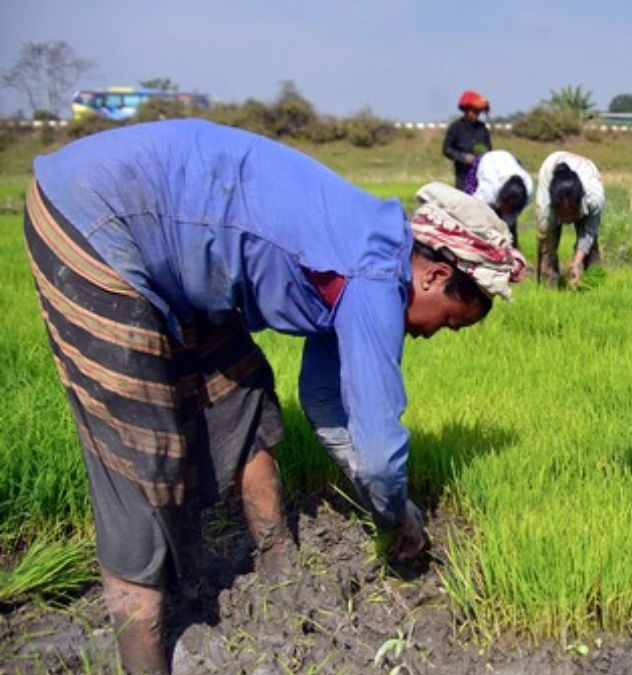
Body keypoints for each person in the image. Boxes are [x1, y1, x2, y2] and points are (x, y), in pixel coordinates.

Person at [24, 119, 526, 674]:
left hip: (176, 243)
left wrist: (375, 487)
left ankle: (279, 571)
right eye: (450, 324)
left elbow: (326, 402)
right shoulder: (373, 279)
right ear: (433, 277)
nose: (431, 335)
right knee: (141, 448)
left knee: (240, 392)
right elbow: (381, 449)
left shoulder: (367, 246)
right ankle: (142, 651)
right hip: (98, 215)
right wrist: (397, 516)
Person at [534, 151, 605, 288]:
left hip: (587, 171)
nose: (567, 220)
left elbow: (588, 232)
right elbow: (544, 237)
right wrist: (547, 258)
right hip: (551, 166)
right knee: (547, 243)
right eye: (562, 215)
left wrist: (576, 263)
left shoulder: (594, 200)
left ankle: (594, 282)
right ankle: (548, 286)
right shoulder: (546, 207)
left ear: (579, 205)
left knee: (591, 245)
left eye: (570, 214)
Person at [463, 149, 533, 247]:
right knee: (469, 212)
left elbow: (509, 222)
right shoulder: (488, 190)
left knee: (508, 231)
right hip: (486, 161)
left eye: (509, 210)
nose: (506, 211)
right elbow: (473, 211)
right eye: (505, 208)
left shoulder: (528, 190)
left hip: (509, 160)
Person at [442, 90, 492, 190]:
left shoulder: (482, 128)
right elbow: (446, 149)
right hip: (462, 175)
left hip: (480, 176)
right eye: (473, 111)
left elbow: (489, 150)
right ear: (465, 110)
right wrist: (463, 157)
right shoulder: (455, 127)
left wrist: (481, 156)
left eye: (478, 112)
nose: (476, 114)